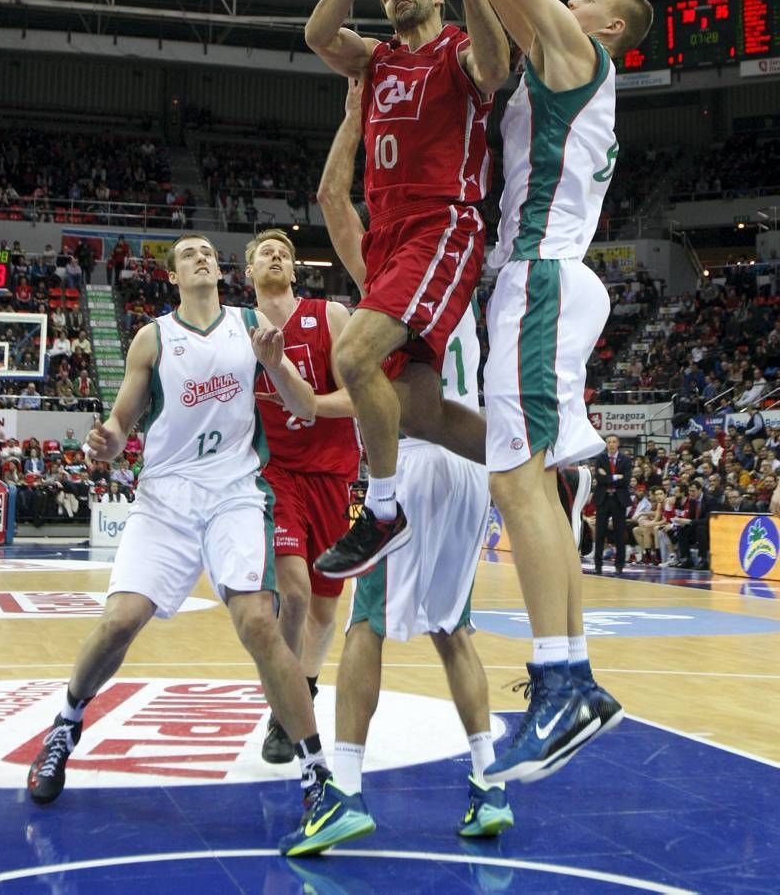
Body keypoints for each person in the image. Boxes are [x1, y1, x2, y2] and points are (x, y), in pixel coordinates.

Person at [378, 0, 652, 783]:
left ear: (607, 24)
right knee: (513, 462)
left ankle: (565, 677)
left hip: (537, 275)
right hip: (538, 281)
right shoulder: (553, 64)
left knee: (513, 474)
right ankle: (565, 675)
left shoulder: (580, 55)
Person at [26, 233, 330, 853]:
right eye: (187, 253)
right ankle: (66, 722)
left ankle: (316, 772)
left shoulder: (250, 326)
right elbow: (120, 421)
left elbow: (305, 403)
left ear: (219, 269)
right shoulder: (153, 338)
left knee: (259, 623)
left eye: (206, 252)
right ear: (172, 276)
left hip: (235, 492)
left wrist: (276, 365)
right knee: (120, 621)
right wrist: (108, 440)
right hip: (165, 497)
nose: (199, 257)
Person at [282, 79, 512, 856]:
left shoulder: (395, 278)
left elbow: (330, 199)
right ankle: (489, 782)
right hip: (469, 466)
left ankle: (344, 788)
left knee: (367, 627)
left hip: (413, 465)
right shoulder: (458, 284)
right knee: (455, 627)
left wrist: (351, 120)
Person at [304, 0, 511, 577]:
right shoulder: (377, 60)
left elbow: (498, 64)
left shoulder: (455, 52)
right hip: (390, 235)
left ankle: (383, 509)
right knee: (420, 412)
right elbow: (317, 34)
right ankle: (544, 466)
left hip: (441, 221)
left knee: (353, 353)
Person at [245, 226, 360, 766]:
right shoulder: (235, 330)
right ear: (249, 273)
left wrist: (309, 403)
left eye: (284, 254)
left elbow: (358, 398)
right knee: (291, 594)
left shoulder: (331, 316)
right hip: (277, 474)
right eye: (266, 252)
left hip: (332, 475)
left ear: (294, 271)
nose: (276, 256)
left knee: (322, 609)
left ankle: (304, 688)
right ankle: (283, 710)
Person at [593, 436, 633, 573]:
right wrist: (616, 476)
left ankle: (619, 565)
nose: (611, 444)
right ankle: (598, 565)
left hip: (618, 500)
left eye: (614, 442)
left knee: (619, 534)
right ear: (606, 444)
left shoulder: (626, 460)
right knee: (599, 533)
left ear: (618, 444)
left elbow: (626, 480)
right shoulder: (600, 459)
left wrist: (608, 477)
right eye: (609, 442)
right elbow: (599, 478)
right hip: (603, 499)